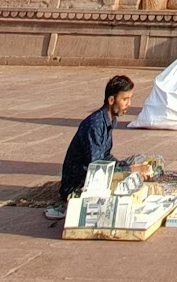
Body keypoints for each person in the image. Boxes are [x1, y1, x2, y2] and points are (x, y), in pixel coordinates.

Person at [48, 74, 147, 218]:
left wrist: (124, 166)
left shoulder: (110, 120)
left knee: (138, 159)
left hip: (96, 171)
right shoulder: (95, 124)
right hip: (79, 184)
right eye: (124, 99)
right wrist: (128, 169)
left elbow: (105, 155)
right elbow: (96, 166)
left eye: (130, 99)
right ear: (111, 100)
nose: (129, 104)